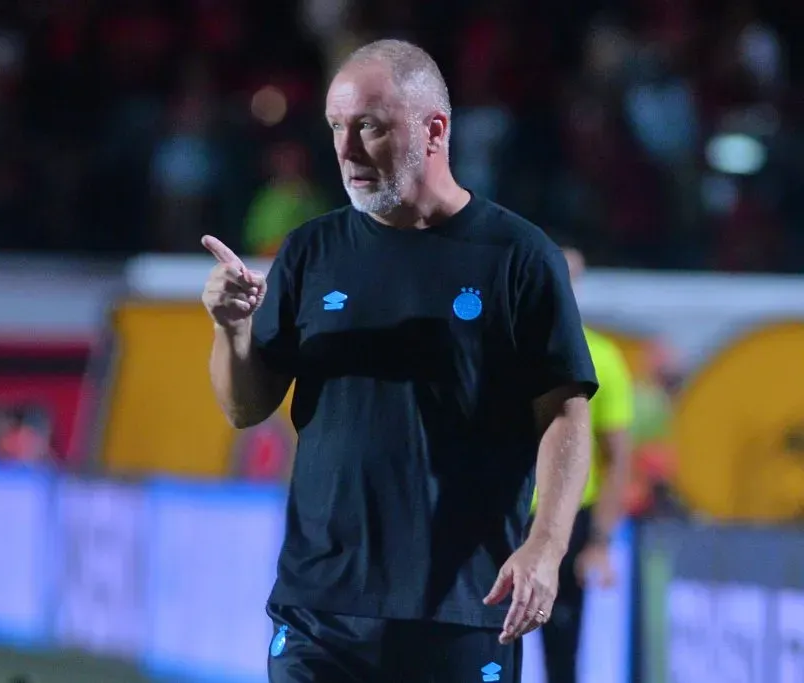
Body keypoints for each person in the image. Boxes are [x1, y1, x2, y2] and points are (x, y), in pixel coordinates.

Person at [200, 38, 597, 683]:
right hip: (320, 608)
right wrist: (232, 328)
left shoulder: (518, 257)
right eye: (336, 126)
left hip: (466, 605)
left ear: (434, 129)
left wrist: (545, 548)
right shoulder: (311, 251)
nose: (346, 150)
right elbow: (245, 407)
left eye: (370, 127)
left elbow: (565, 415)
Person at [531, 247, 635, 683]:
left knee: (562, 641)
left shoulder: (602, 356)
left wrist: (601, 540)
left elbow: (617, 457)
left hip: (569, 517)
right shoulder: (501, 346)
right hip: (502, 512)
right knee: (484, 639)